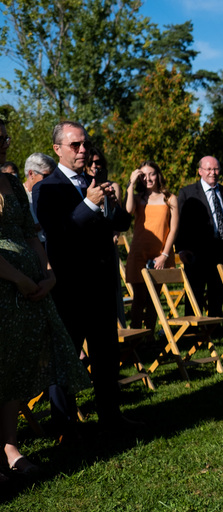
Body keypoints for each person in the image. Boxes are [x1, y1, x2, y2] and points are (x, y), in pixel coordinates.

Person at [0, 123, 90, 479]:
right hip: (6, 286)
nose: (5, 143)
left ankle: (10, 446)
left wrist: (47, 271)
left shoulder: (13, 186)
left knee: (12, 367)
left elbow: (30, 234)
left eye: (6, 137)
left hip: (28, 292)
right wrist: (20, 278)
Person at [33, 121, 135, 434]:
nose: (82, 150)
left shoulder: (94, 180)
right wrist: (89, 202)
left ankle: (111, 418)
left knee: (106, 354)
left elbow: (117, 225)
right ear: (57, 149)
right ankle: (65, 428)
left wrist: (113, 203)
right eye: (75, 145)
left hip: (102, 282)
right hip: (70, 286)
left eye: (85, 144)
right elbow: (58, 235)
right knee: (67, 357)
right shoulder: (46, 188)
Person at [176, 156, 223, 318]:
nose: (213, 172)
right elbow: (179, 224)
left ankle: (214, 326)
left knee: (218, 291)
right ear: (200, 171)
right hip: (196, 254)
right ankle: (193, 330)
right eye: (209, 169)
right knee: (195, 293)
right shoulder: (187, 193)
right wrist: (181, 249)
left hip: (220, 251)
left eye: (216, 169)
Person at [124, 161, 178, 330]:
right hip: (138, 253)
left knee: (154, 298)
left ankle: (149, 336)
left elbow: (174, 228)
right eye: (143, 175)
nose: (148, 178)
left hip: (159, 254)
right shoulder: (138, 198)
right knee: (139, 298)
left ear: (158, 175)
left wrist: (165, 255)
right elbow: (128, 210)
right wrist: (131, 184)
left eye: (151, 174)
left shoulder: (170, 198)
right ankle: (135, 336)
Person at [23, 153, 56, 242]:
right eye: (46, 176)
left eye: (53, 176)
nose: (50, 180)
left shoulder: (53, 194)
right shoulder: (19, 197)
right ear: (31, 174)